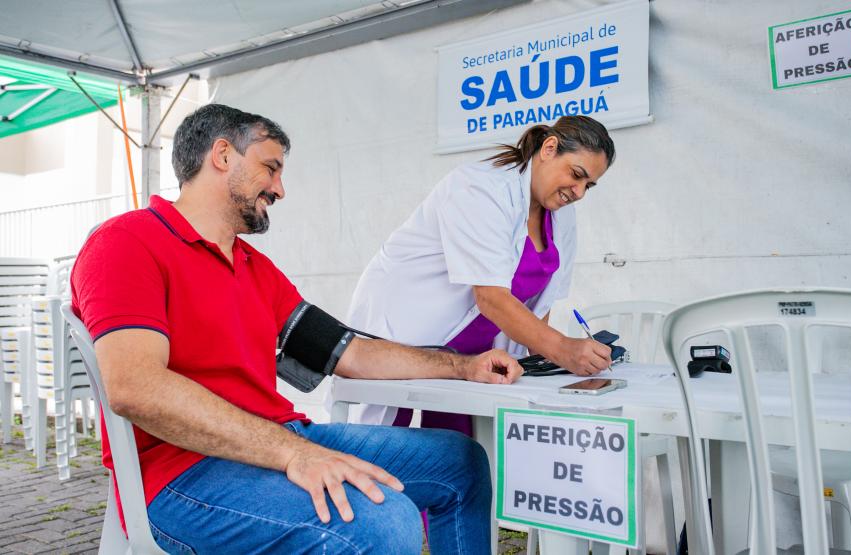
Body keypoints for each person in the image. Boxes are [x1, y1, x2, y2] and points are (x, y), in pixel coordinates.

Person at [70, 103, 522, 554]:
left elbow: (351, 354)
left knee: (460, 462)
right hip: (185, 474)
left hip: (279, 439)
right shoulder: (126, 242)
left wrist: (463, 367)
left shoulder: (253, 267)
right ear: (223, 155)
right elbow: (136, 387)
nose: (280, 189)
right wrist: (294, 454)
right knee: (382, 523)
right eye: (270, 167)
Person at [347, 116, 616, 432]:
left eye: (589, 185)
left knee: (463, 447)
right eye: (577, 174)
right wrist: (562, 348)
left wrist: (550, 359)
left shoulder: (563, 216)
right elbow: (490, 297)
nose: (580, 192)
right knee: (382, 440)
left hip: (473, 350)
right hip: (405, 323)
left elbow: (539, 305)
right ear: (549, 148)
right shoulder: (481, 188)